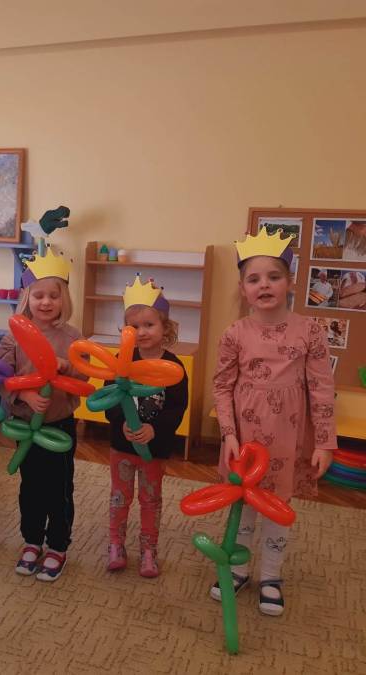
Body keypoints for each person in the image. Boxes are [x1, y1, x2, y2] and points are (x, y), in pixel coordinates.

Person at [213, 229, 336, 616]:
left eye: (274, 276)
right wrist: (228, 435)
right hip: (244, 439)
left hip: (288, 438)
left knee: (276, 509)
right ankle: (238, 568)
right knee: (243, 508)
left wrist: (324, 442)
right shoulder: (235, 333)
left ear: (290, 282)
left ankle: (271, 575)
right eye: (254, 279)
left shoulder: (310, 331)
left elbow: (322, 388)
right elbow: (222, 387)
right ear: (243, 289)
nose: (264, 285)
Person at [0, 246, 87, 582]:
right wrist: (24, 394)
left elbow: (84, 376)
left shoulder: (73, 337)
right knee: (31, 486)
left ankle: (58, 545)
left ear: (64, 299)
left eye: (53, 295)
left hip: (60, 424)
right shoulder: (13, 336)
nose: (46, 302)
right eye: (39, 295)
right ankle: (32, 540)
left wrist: (66, 367)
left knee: (59, 488)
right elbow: (1, 377)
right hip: (24, 424)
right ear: (27, 297)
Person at [104, 276, 188, 578]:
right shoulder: (121, 361)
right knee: (119, 497)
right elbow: (109, 399)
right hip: (122, 447)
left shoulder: (174, 366)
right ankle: (116, 545)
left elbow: (177, 407)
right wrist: (121, 423)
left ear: (165, 327)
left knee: (150, 500)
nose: (141, 332)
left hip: (155, 449)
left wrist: (155, 430)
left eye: (149, 325)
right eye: (134, 326)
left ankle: (149, 550)